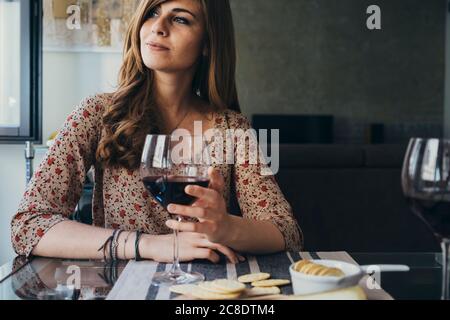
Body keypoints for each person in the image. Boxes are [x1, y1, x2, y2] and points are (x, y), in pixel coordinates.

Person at [11, 0, 303, 264]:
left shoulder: (232, 128)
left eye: (180, 19)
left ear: (207, 43)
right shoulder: (96, 114)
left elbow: (286, 231)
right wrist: (148, 245)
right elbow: (28, 225)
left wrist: (226, 227)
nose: (158, 27)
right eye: (152, 13)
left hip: (203, 291)